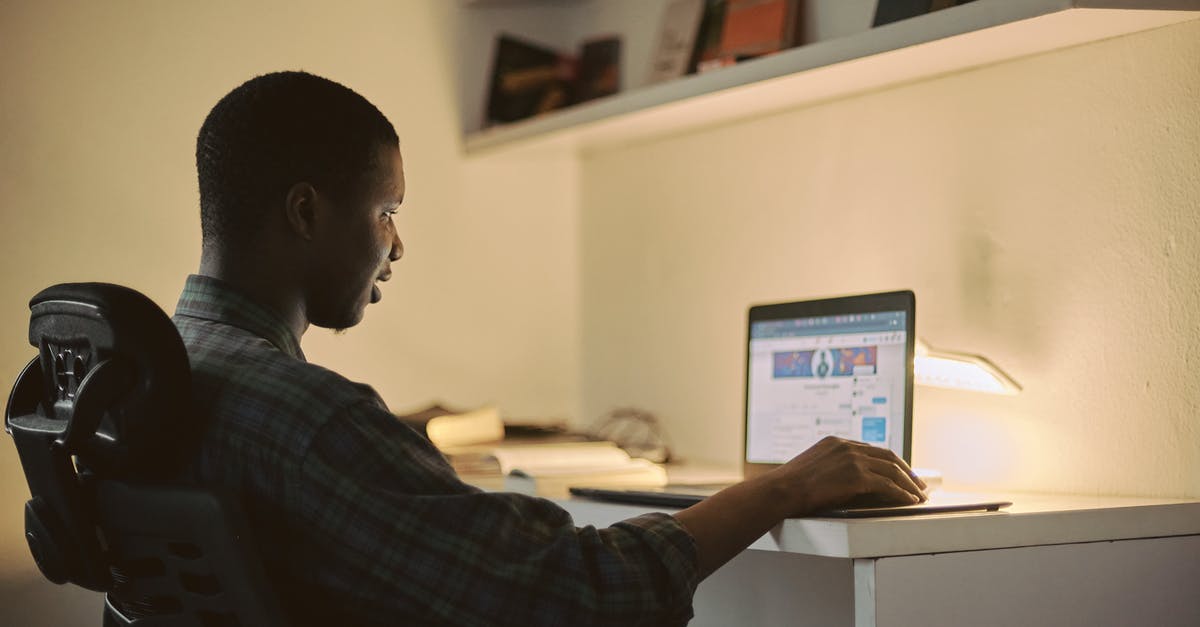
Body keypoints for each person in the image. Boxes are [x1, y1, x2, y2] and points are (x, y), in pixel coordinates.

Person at [175, 70, 926, 627]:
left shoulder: (158, 370)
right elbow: (576, 591)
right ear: (306, 210)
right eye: (386, 210)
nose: (397, 243)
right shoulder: (312, 422)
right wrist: (783, 488)